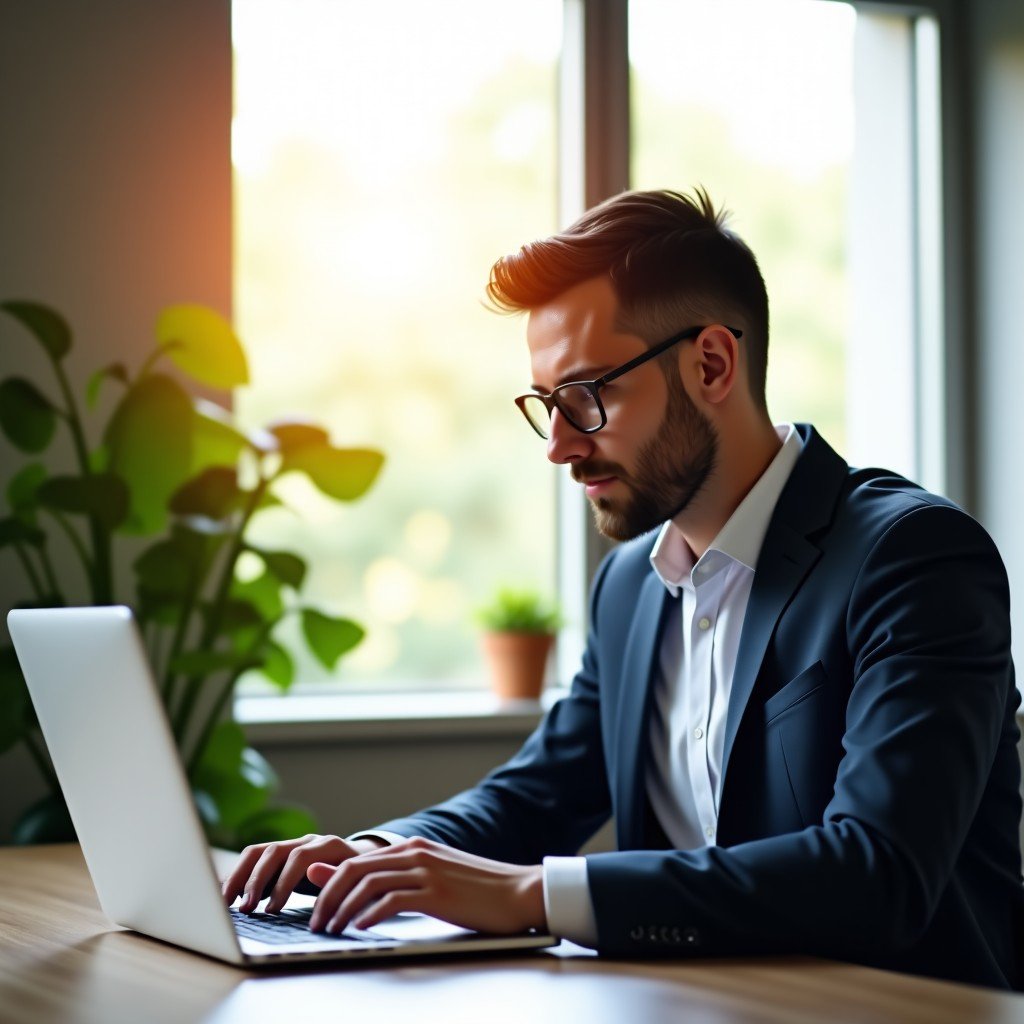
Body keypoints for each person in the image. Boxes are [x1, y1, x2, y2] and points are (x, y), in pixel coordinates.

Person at [223, 188, 1024, 989]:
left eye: (586, 397)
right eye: (547, 405)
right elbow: (538, 795)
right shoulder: (630, 589)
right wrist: (370, 856)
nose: (561, 446)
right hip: (698, 1004)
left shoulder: (912, 558)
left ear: (712, 363)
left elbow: (878, 872)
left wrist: (532, 895)